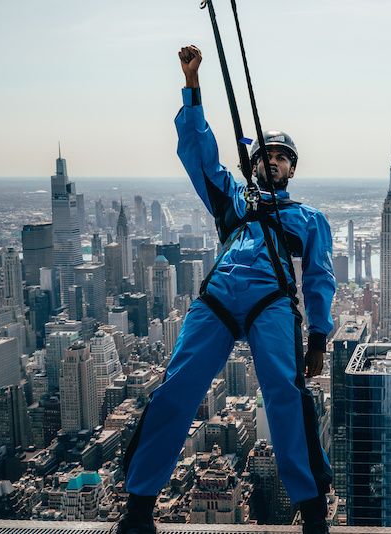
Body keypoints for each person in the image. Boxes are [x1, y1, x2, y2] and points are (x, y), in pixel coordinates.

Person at [113, 45, 335, 534]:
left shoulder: (304, 219)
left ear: (292, 169)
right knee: (176, 390)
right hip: (214, 301)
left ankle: (314, 510)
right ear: (255, 165)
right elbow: (200, 156)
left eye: (281, 157)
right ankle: (138, 505)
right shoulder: (233, 201)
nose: (272, 161)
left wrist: (318, 336)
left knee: (284, 393)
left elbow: (319, 275)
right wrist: (192, 88)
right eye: (266, 156)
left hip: (271, 302)